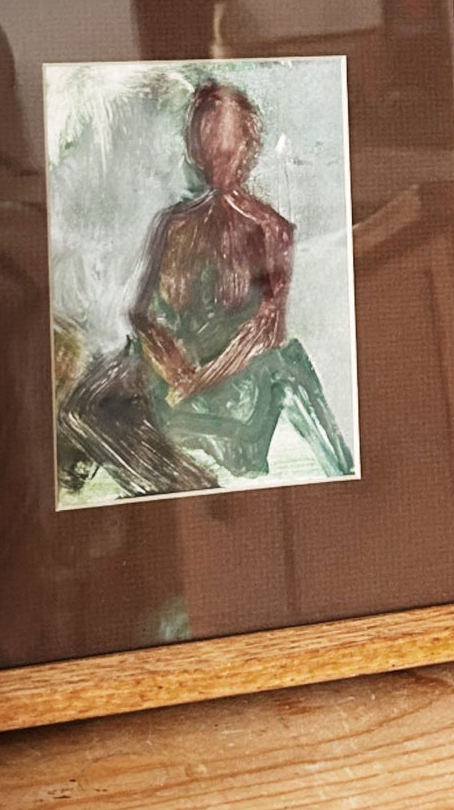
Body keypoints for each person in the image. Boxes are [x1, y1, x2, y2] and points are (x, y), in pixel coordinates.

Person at [57, 79, 356, 499]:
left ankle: (342, 483)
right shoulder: (171, 224)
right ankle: (185, 484)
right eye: (207, 144)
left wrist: (200, 380)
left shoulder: (272, 229)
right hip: (173, 379)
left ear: (249, 149)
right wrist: (172, 364)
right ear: (194, 148)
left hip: (236, 384)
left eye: (228, 147)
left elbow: (265, 329)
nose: (217, 157)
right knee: (80, 406)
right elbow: (140, 312)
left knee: (290, 365)